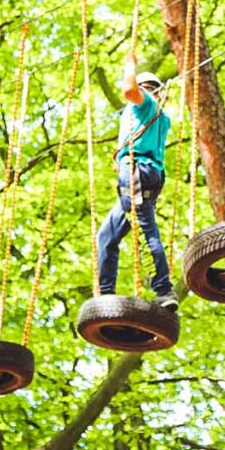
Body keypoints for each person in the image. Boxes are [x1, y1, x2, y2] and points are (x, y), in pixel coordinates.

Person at [96, 51, 177, 310]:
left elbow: (129, 90)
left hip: (136, 170)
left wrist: (129, 64)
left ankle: (164, 289)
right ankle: (106, 295)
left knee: (145, 227)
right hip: (144, 175)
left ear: (147, 90)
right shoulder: (161, 118)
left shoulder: (146, 105)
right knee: (107, 235)